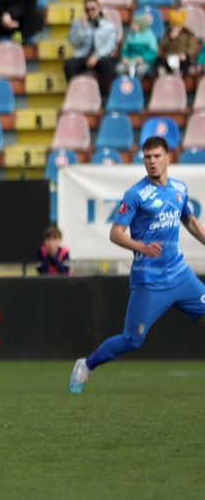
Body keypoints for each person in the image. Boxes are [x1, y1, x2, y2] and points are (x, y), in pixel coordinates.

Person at [69, 136, 205, 394]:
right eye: (147, 157)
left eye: (156, 156)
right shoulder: (135, 195)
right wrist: (141, 246)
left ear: (168, 158)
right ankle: (86, 365)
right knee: (132, 341)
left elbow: (188, 220)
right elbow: (116, 233)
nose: (152, 162)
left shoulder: (179, 189)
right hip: (149, 282)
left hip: (180, 275)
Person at [64, 0, 119, 99]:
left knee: (107, 67)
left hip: (100, 57)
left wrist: (96, 56)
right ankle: (75, 96)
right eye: (87, 10)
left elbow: (111, 45)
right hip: (82, 56)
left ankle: (102, 98)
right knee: (69, 66)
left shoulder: (109, 26)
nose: (90, 12)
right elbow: (74, 43)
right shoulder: (78, 24)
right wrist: (83, 29)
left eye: (93, 9)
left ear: (99, 8)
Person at [156, 10, 200, 77]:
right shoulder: (167, 34)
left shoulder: (188, 34)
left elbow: (192, 47)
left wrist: (186, 55)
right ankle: (163, 81)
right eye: (174, 26)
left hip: (182, 59)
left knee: (178, 67)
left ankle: (177, 78)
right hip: (169, 57)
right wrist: (171, 38)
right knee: (160, 64)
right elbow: (163, 46)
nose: (175, 28)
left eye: (177, 25)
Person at [118, 12, 158, 78]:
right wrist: (124, 57)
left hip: (143, 62)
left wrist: (144, 58)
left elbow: (153, 52)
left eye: (134, 24)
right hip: (129, 61)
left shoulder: (149, 36)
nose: (131, 25)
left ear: (140, 25)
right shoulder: (130, 35)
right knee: (120, 68)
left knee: (140, 70)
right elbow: (125, 49)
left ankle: (137, 85)